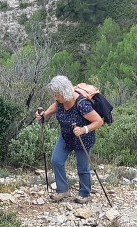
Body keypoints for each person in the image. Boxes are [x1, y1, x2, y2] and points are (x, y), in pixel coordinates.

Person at [35, 75, 104, 204]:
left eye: (57, 94)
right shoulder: (60, 101)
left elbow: (98, 121)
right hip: (66, 136)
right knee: (56, 160)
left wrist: (83, 129)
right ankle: (63, 190)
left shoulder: (82, 104)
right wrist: (44, 115)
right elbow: (55, 106)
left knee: (82, 167)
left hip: (83, 138)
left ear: (64, 93)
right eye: (54, 94)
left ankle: (85, 194)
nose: (55, 97)